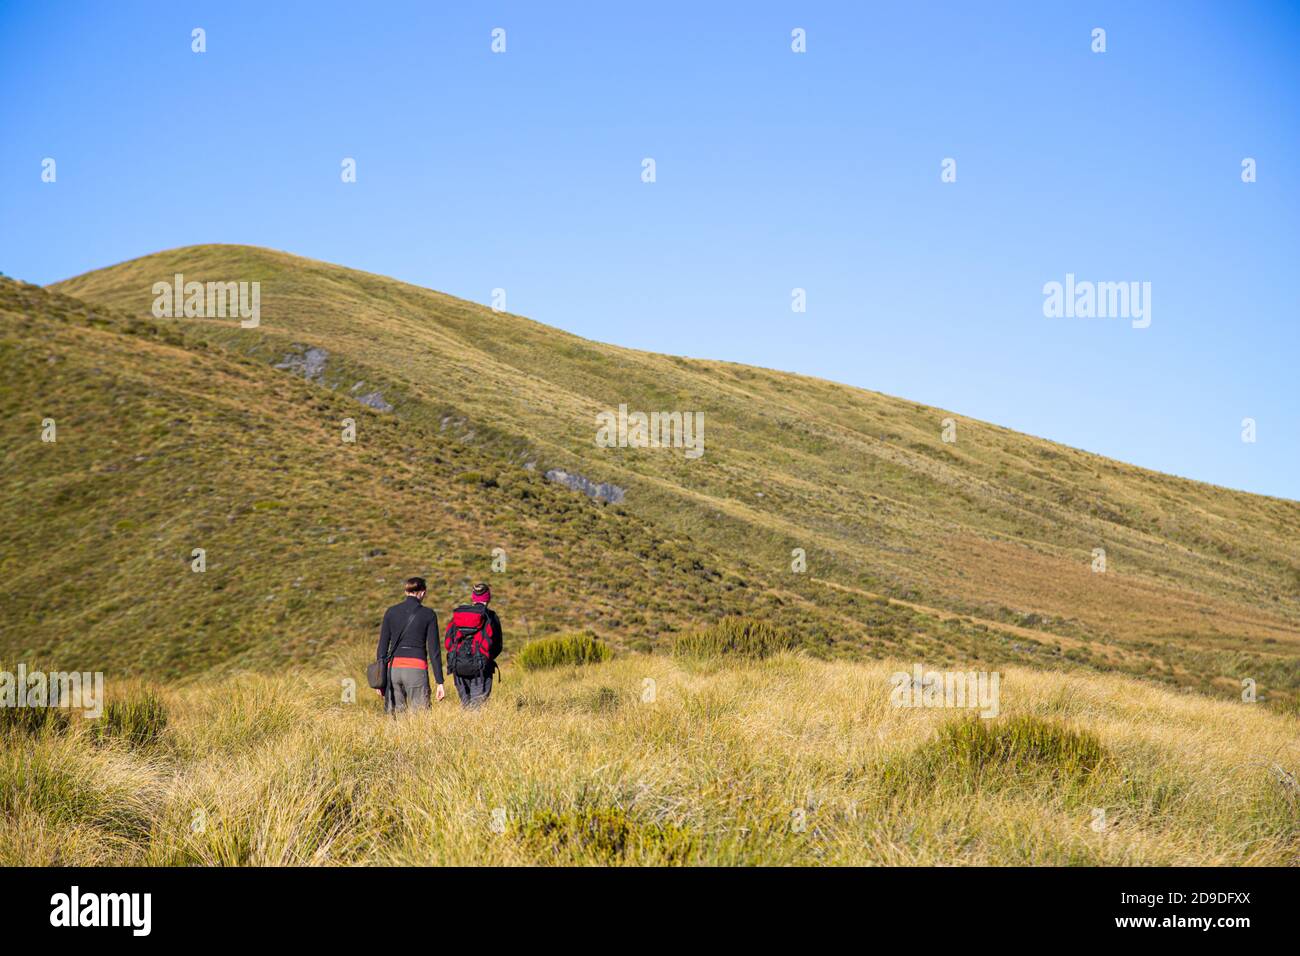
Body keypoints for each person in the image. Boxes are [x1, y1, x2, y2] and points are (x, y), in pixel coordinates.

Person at [376, 576, 445, 714]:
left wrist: (379, 679)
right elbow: (434, 650)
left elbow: (382, 648)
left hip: (393, 669)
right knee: (420, 717)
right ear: (423, 593)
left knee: (394, 717)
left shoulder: (391, 612)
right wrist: (439, 681)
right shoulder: (428, 614)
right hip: (416, 669)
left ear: (406, 592)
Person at [444, 583, 502, 708]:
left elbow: (448, 642)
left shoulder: (459, 615)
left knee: (465, 705)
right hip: (481, 668)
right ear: (488, 597)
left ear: (473, 598)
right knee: (478, 707)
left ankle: (465, 727)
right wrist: (487, 657)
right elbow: (498, 646)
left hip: (458, 666)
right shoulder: (491, 616)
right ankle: (474, 727)